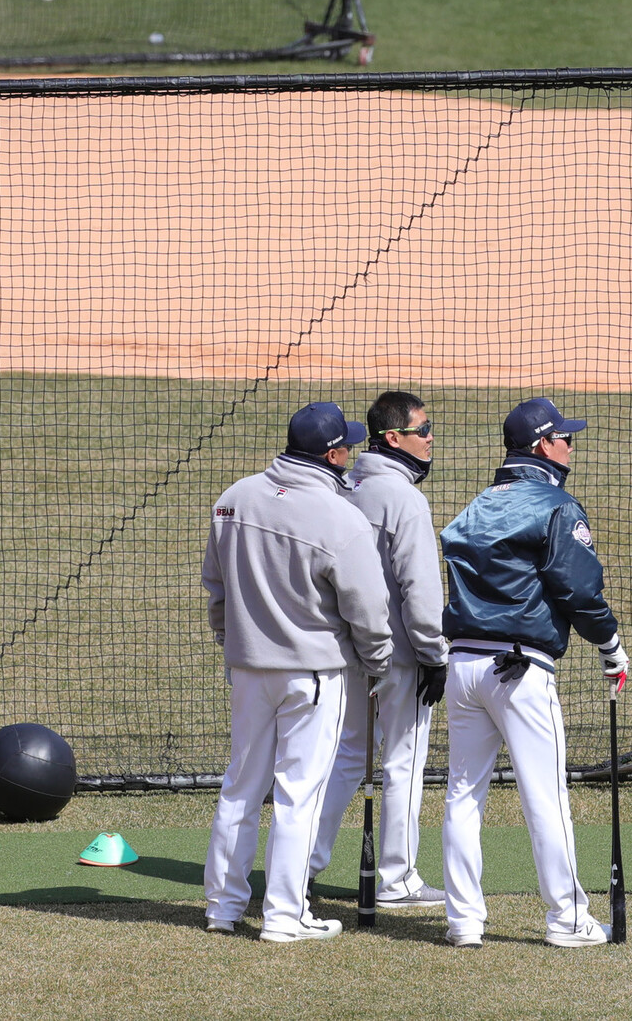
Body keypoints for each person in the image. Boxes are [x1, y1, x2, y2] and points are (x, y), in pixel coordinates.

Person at [439, 397, 629, 950]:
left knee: (461, 795)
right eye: (565, 437)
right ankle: (568, 921)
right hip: (519, 671)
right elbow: (579, 591)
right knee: (545, 796)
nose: (571, 445)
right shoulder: (556, 505)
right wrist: (610, 645)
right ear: (544, 444)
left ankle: (463, 922)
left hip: (462, 666)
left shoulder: (476, 504)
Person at [202, 401, 393, 943]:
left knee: (241, 784)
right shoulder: (340, 518)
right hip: (313, 676)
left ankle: (223, 907)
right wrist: (376, 666)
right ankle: (286, 915)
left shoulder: (233, 500)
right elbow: (369, 608)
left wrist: (234, 643)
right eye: (347, 448)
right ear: (332, 454)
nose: (351, 456)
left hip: (247, 669)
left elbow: (216, 592)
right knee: (298, 792)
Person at [309, 390, 447, 908]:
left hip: (347, 652)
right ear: (394, 438)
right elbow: (420, 589)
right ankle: (398, 880)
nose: (431, 438)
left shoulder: (345, 485)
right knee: (404, 762)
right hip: (401, 657)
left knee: (346, 756)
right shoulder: (404, 498)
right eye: (423, 430)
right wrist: (434, 655)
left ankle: (303, 862)